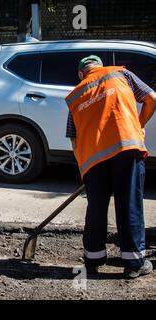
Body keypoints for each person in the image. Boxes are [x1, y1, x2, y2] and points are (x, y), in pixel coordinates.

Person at [65, 55, 156, 279]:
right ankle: (134, 264)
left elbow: (73, 138)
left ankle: (93, 258)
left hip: (94, 160)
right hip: (127, 148)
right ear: (99, 67)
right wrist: (138, 125)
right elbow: (152, 98)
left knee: (96, 207)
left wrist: (84, 169)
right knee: (129, 205)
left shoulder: (76, 95)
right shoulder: (120, 74)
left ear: (81, 74)